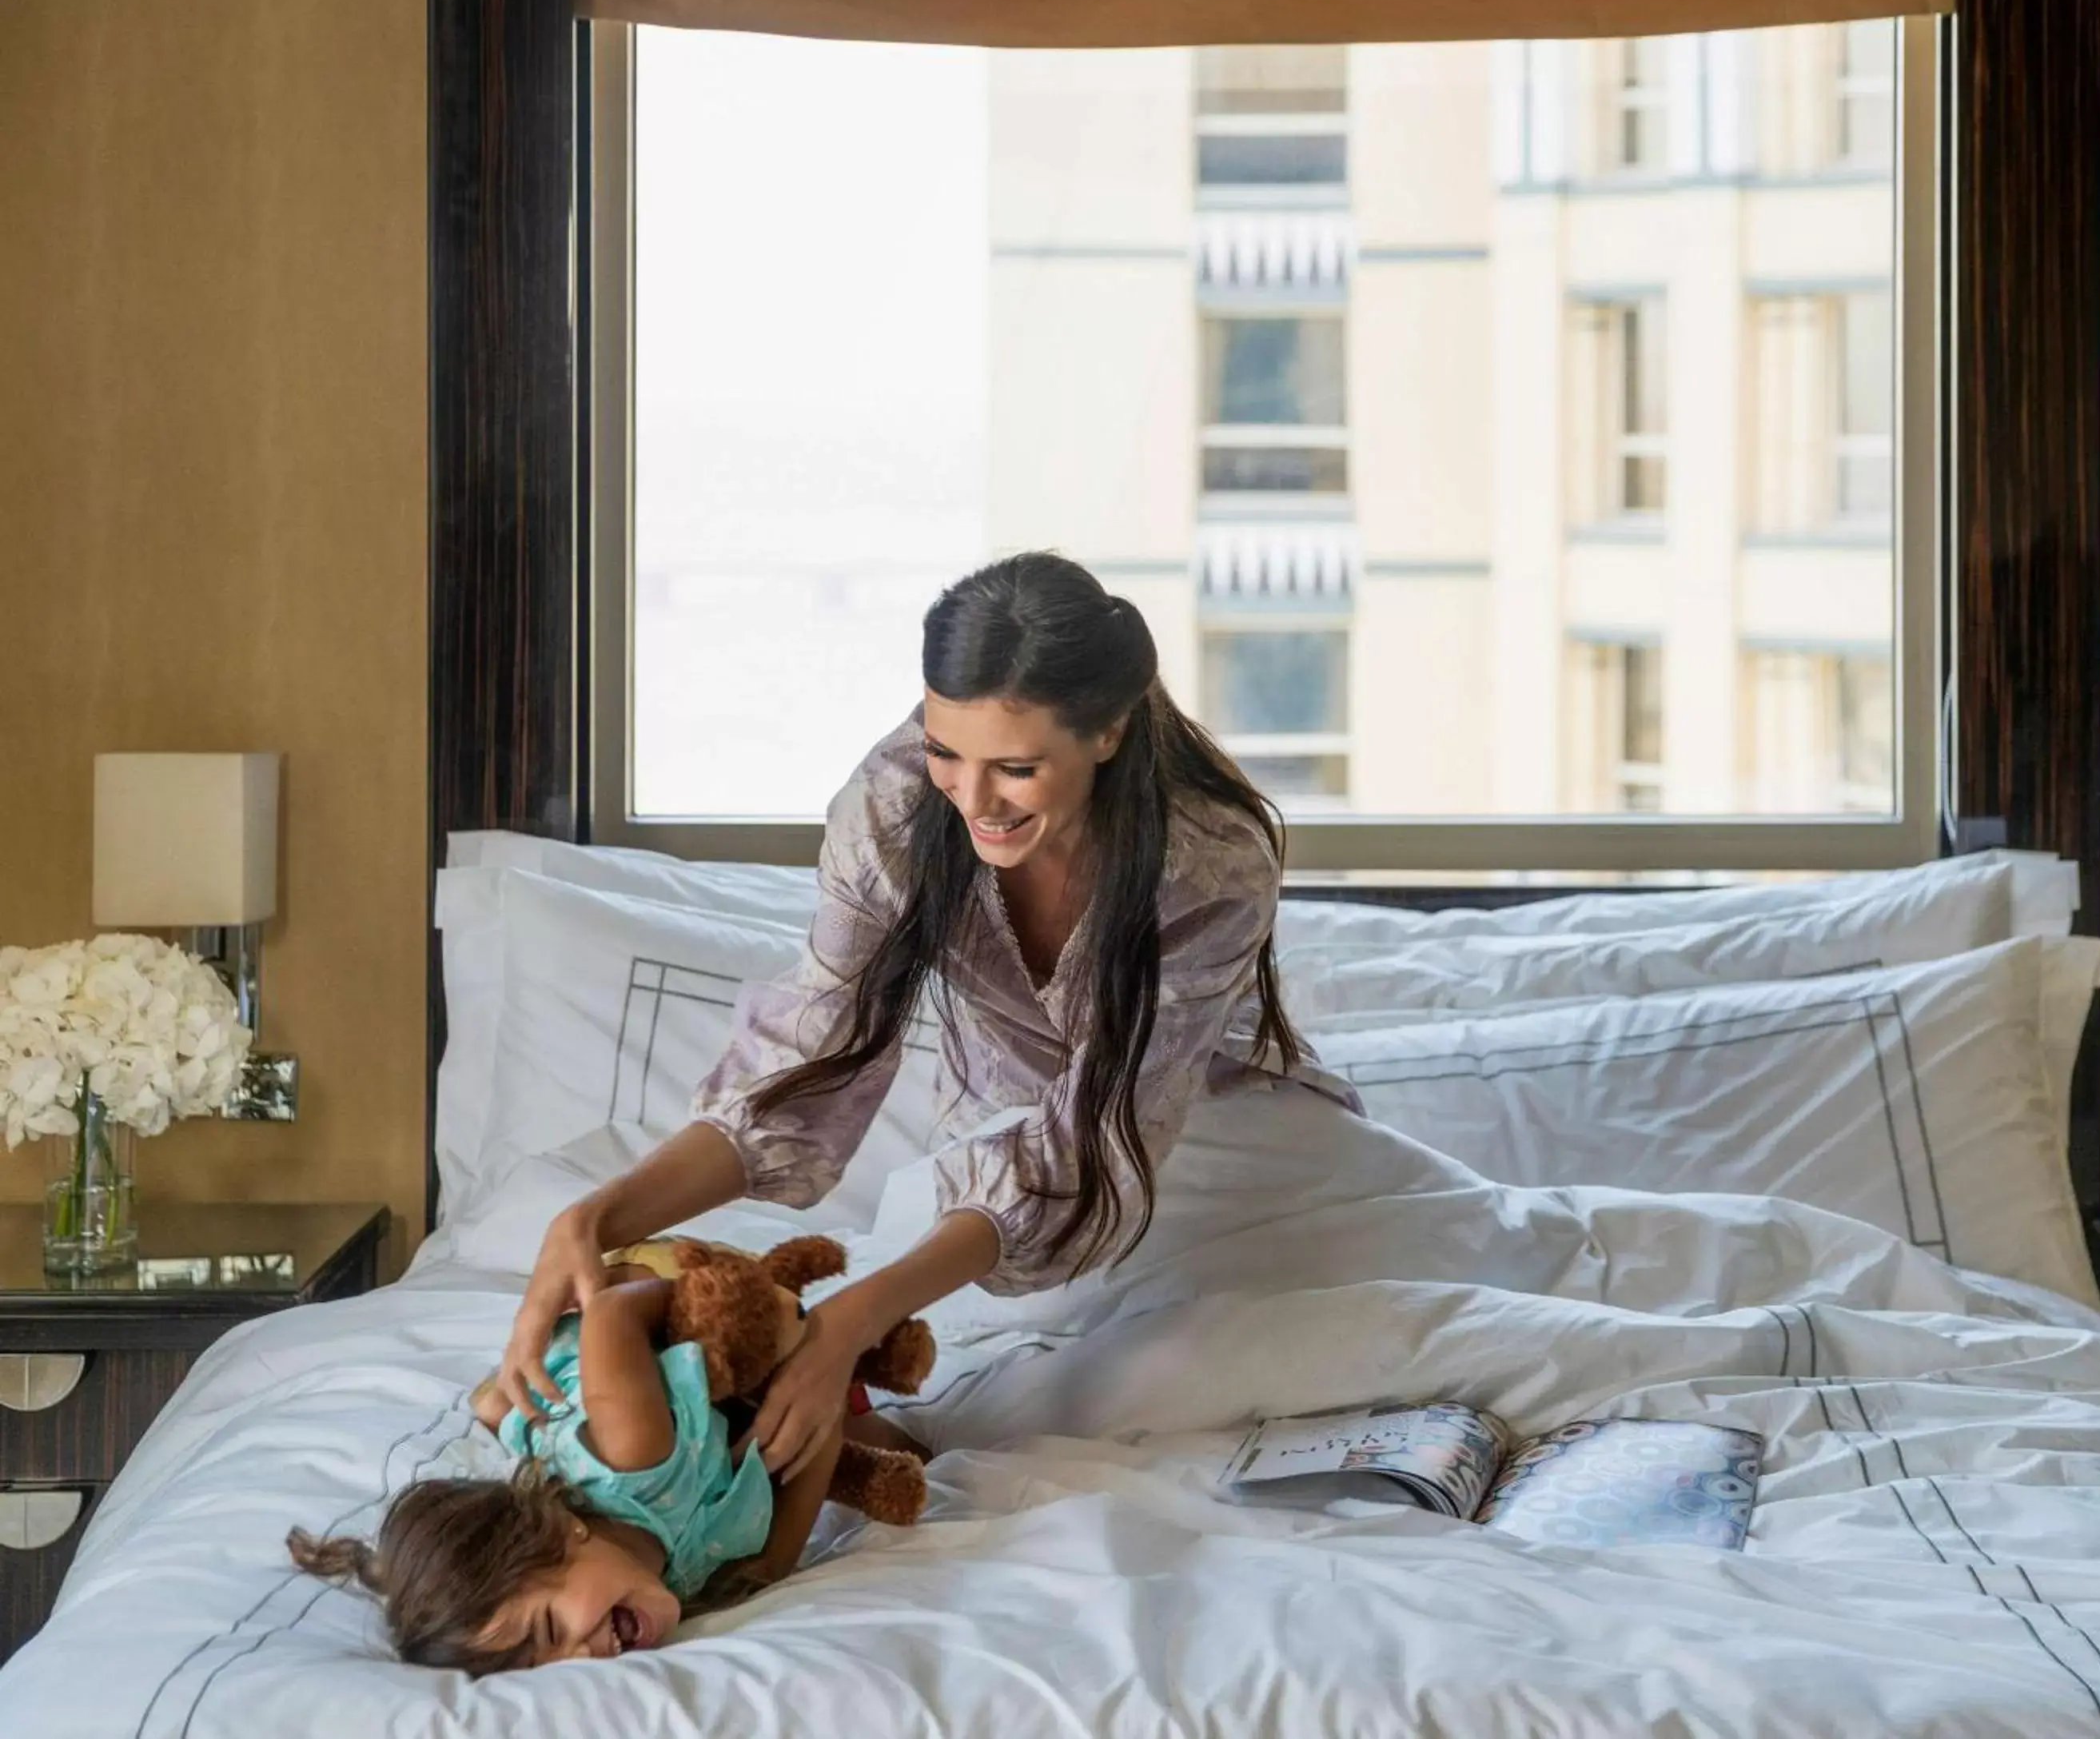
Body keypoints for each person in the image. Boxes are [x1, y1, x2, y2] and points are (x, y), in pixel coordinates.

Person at [496, 550, 1359, 1485]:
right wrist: (592, 1217)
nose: (972, 798)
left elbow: (1101, 1144)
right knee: (962, 1366)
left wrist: (857, 1315)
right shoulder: (896, 805)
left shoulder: (1210, 860)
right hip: (995, 1172)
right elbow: (807, 1058)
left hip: (1217, 1142)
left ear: (1107, 732)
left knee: (1290, 1341)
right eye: (946, 749)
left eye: (1016, 768)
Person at [288, 1260, 922, 1669]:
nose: (579, 1659)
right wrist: (823, 1400)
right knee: (919, 1453)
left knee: (705, 1312)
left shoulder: (632, 1450)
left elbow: (615, 1315)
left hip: (635, 1336)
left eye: (548, 1631)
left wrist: (705, 1304)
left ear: (560, 1535)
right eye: (543, 1670)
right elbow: (781, 1552)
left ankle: (505, 1397)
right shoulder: (707, 1578)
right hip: (715, 1433)